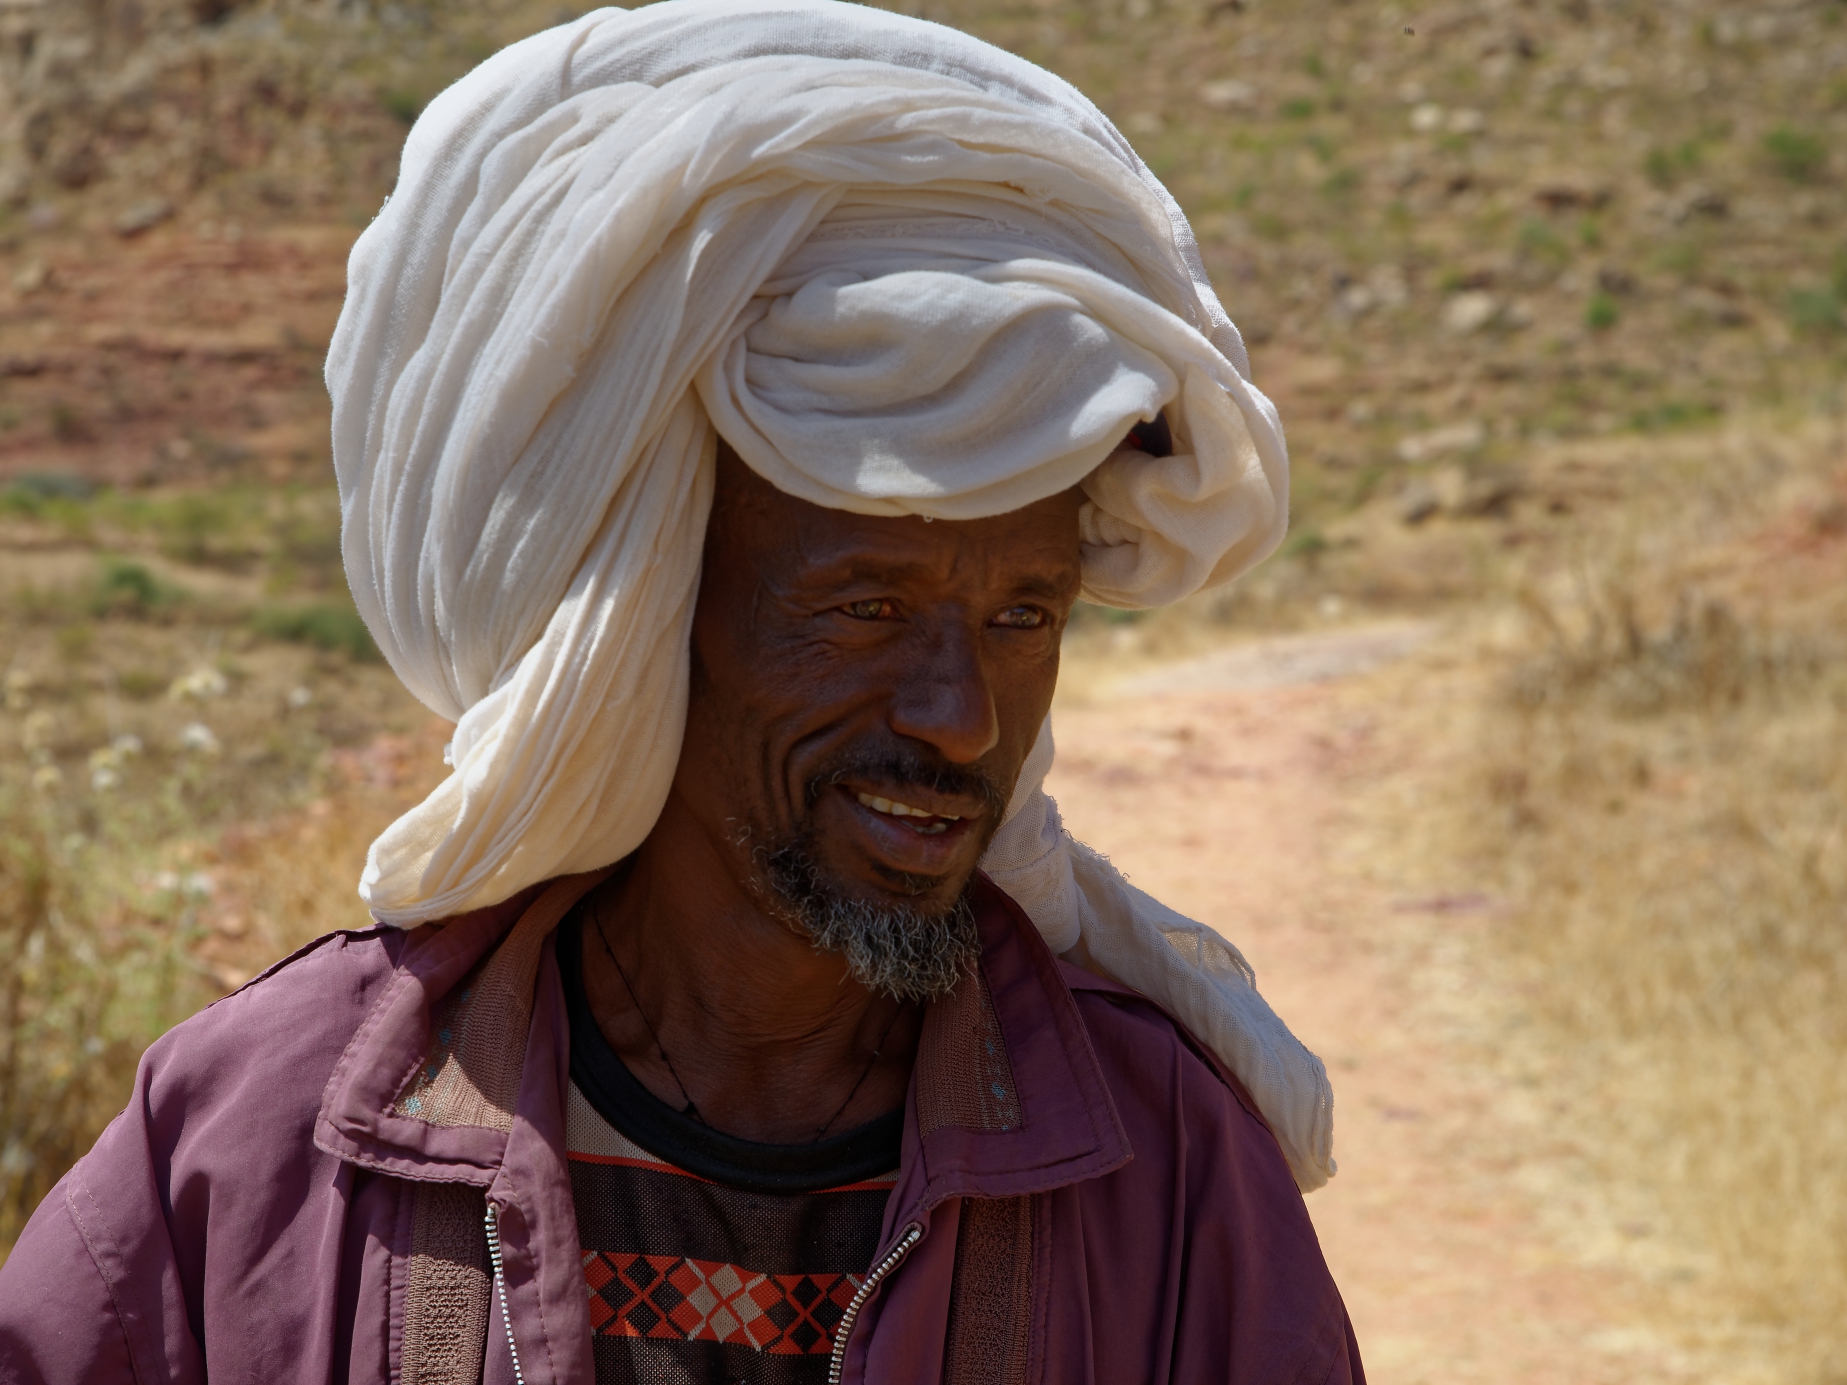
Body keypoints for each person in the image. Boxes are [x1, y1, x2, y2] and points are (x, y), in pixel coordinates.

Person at [0, 3, 1362, 1381]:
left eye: (1023, 616)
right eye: (867, 608)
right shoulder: (253, 1145)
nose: (964, 716)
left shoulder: (1165, 1176)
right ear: (648, 612)